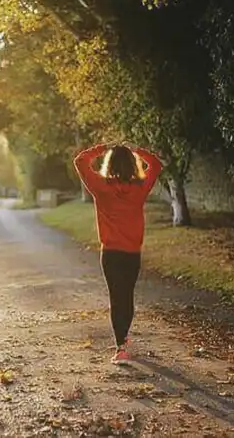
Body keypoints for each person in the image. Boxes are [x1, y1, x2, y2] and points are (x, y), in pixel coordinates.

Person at [73, 142, 163, 364]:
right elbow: (157, 165)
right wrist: (137, 149)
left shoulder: (101, 187)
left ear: (109, 163)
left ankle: (121, 345)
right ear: (133, 164)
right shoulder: (140, 188)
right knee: (127, 295)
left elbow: (80, 161)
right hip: (132, 253)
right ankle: (123, 339)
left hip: (111, 253)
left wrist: (101, 148)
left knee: (117, 296)